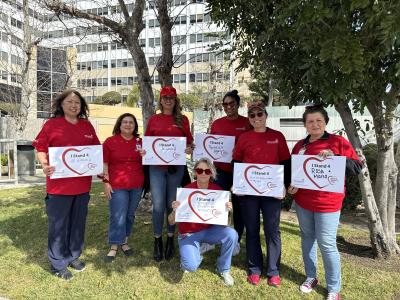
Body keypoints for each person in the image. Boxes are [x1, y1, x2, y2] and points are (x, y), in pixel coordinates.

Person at [288, 105, 361, 300]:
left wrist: (336, 157)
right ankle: (311, 277)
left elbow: (357, 168)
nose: (314, 124)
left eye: (318, 120)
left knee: (327, 244)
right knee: (307, 240)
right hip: (303, 202)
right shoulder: (300, 146)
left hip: (328, 204)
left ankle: (334, 288)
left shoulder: (338, 142)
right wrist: (290, 186)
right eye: (310, 121)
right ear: (305, 125)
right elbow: (293, 171)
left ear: (325, 122)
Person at [32, 89, 100, 280]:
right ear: (61, 105)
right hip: (59, 187)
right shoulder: (52, 125)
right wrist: (44, 165)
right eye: (69, 102)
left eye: (77, 102)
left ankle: (73, 256)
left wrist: (99, 167)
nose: (73, 105)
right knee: (59, 226)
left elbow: (96, 150)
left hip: (82, 186)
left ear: (82, 106)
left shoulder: (87, 126)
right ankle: (57, 264)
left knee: (78, 224)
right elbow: (40, 147)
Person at [232, 101, 291, 286]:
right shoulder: (244, 137)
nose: (256, 118)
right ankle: (254, 268)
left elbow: (286, 163)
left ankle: (273, 271)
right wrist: (237, 185)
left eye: (259, 114)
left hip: (272, 192)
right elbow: (236, 162)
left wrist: (285, 185)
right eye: (252, 115)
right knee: (252, 229)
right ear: (249, 119)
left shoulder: (277, 136)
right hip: (249, 192)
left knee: (272, 230)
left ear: (266, 115)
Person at [168, 157, 238, 286]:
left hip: (209, 231)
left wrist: (229, 211)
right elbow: (171, 222)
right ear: (195, 172)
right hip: (188, 233)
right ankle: (198, 248)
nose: (203, 173)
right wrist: (174, 211)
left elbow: (226, 225)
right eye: (200, 170)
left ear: (212, 173)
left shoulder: (218, 192)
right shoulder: (185, 191)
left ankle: (223, 268)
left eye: (207, 171)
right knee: (190, 266)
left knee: (232, 234)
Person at [144, 85, 194, 262]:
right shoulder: (154, 119)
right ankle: (157, 239)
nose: (168, 100)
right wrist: (144, 151)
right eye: (165, 98)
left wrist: (188, 147)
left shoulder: (182, 119)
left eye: (171, 98)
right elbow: (147, 142)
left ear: (175, 100)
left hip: (176, 168)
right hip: (156, 168)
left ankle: (170, 239)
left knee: (172, 204)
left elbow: (189, 143)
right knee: (158, 205)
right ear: (161, 100)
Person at [209, 89, 250, 254]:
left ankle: (236, 240)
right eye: (225, 104)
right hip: (220, 171)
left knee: (239, 207)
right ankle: (216, 237)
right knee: (219, 205)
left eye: (231, 103)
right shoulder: (217, 124)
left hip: (241, 172)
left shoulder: (247, 123)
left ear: (238, 104)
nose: (228, 107)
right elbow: (210, 145)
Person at [102, 113, 145, 262]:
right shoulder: (110, 142)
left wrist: (146, 155)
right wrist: (106, 183)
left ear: (135, 126)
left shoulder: (141, 142)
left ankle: (124, 241)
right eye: (125, 122)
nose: (128, 125)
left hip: (137, 184)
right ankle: (114, 245)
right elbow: (105, 164)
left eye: (131, 122)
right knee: (117, 214)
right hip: (117, 184)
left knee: (129, 215)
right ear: (119, 125)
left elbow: (151, 160)